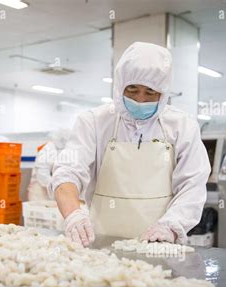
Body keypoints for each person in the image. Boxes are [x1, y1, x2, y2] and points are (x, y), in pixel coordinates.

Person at [50, 42, 211, 247]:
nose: (140, 100)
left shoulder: (182, 126)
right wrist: (73, 215)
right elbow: (67, 172)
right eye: (132, 90)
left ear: (163, 93)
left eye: (150, 92)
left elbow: (193, 185)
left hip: (160, 244)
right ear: (119, 87)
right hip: (100, 241)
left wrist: (170, 226)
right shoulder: (94, 121)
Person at [27, 129, 70, 201]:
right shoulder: (48, 149)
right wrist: (58, 186)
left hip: (50, 193)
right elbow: (42, 174)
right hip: (39, 193)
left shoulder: (61, 151)